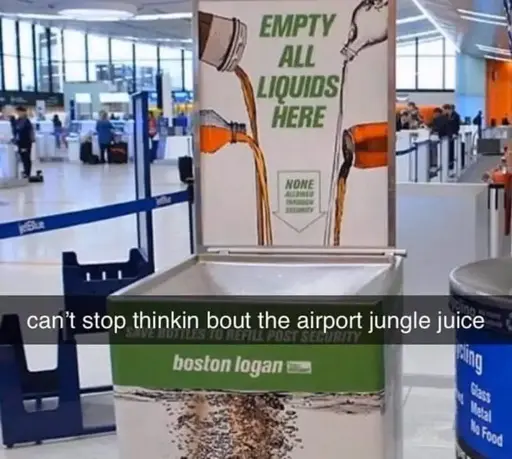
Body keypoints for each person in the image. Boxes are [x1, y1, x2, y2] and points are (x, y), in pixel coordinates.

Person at [13, 106, 35, 178]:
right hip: (19, 142)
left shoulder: (26, 121)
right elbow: (15, 130)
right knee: (22, 157)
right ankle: (25, 171)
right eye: (17, 112)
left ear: (23, 112)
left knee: (26, 157)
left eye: (19, 112)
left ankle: (27, 172)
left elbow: (27, 132)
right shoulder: (17, 121)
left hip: (26, 142)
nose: (18, 113)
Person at [443, 103, 461, 169]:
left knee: (452, 150)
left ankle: (452, 164)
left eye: (445, 110)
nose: (444, 111)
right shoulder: (445, 116)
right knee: (447, 150)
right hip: (446, 135)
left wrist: (454, 133)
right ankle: (448, 164)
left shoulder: (456, 116)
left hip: (453, 135)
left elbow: (457, 126)